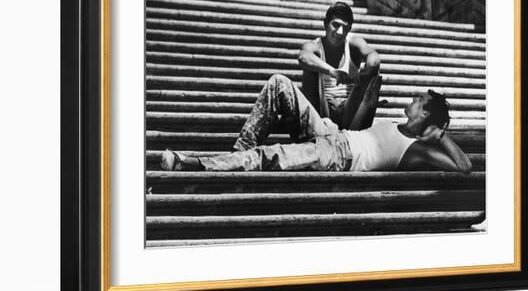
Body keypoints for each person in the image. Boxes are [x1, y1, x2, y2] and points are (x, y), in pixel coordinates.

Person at [160, 74, 472, 174]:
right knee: (280, 84)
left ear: (427, 114)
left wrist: (441, 136)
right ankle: (235, 154)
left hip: (338, 157)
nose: (413, 98)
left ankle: (198, 165)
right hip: (333, 134)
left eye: (418, 99)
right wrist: (365, 96)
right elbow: (355, 126)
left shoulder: (416, 150)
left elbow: (464, 167)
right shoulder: (393, 124)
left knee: (270, 155)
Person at [298, 1, 381, 129]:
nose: (340, 32)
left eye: (345, 27)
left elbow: (374, 58)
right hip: (321, 110)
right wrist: (332, 71)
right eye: (335, 25)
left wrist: (365, 73)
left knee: (373, 72)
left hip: (349, 110)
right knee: (310, 70)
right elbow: (303, 57)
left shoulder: (353, 43)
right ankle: (313, 130)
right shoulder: (315, 45)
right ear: (325, 24)